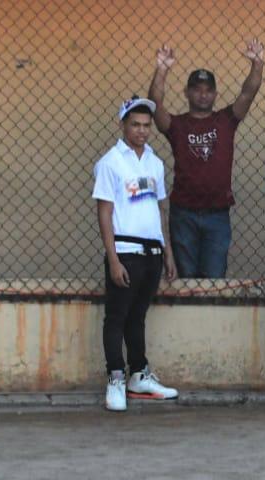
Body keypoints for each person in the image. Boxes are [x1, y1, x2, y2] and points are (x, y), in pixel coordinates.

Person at [147, 41, 265, 278]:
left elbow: (248, 93)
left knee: (213, 280)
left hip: (217, 214)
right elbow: (154, 104)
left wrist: (257, 63)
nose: (203, 94)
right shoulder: (176, 125)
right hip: (184, 214)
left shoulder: (226, 120)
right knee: (186, 280)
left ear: (215, 94)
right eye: (197, 89)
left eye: (208, 89)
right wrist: (161, 69)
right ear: (187, 92)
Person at [93, 96, 180, 412]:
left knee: (138, 316)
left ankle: (139, 375)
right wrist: (113, 257)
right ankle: (116, 377)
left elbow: (160, 208)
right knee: (117, 316)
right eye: (135, 125)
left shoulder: (155, 163)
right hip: (126, 250)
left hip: (152, 251)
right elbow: (104, 212)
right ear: (123, 125)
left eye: (146, 125)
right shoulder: (111, 162)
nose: (142, 131)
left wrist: (167, 252)